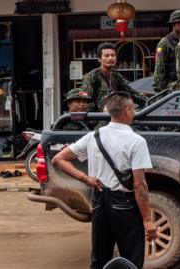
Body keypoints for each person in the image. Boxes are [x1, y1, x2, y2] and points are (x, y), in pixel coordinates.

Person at [51, 91, 157, 269]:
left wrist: (85, 179)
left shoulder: (94, 136)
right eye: (133, 109)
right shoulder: (136, 141)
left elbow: (58, 159)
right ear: (127, 110)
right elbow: (139, 185)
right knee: (131, 260)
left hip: (99, 200)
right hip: (125, 204)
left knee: (100, 259)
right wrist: (148, 220)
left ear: (108, 110)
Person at [82, 42, 141, 111]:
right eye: (106, 56)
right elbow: (86, 102)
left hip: (116, 113)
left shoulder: (116, 76)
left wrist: (150, 101)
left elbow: (132, 93)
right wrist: (100, 111)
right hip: (99, 117)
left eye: (113, 55)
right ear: (99, 59)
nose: (110, 58)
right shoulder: (92, 76)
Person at [152, 10, 180, 92]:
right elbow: (159, 69)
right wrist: (159, 91)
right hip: (173, 87)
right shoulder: (165, 43)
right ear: (173, 24)